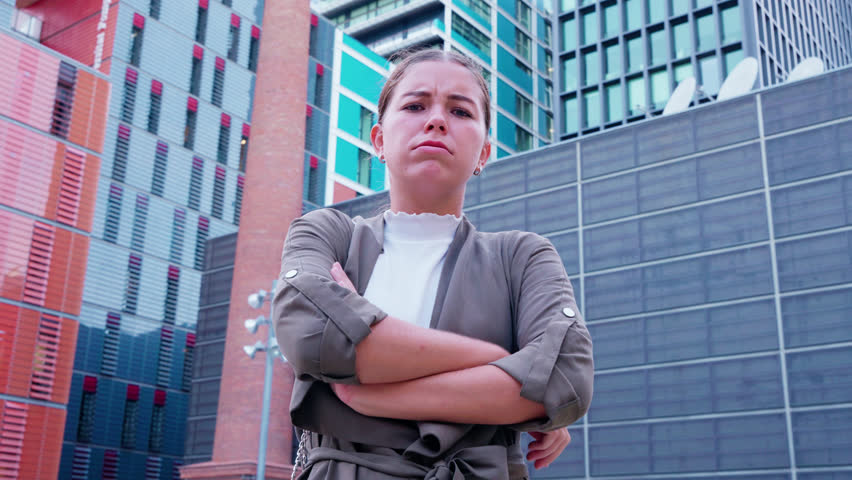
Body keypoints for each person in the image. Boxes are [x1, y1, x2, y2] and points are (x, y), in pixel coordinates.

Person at [273, 48, 593, 480]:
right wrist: (499, 363)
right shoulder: (328, 234)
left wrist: (367, 396)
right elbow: (312, 335)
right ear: (380, 140)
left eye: (460, 111)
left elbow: (564, 377)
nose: (437, 120)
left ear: (483, 153)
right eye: (415, 105)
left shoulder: (522, 256)